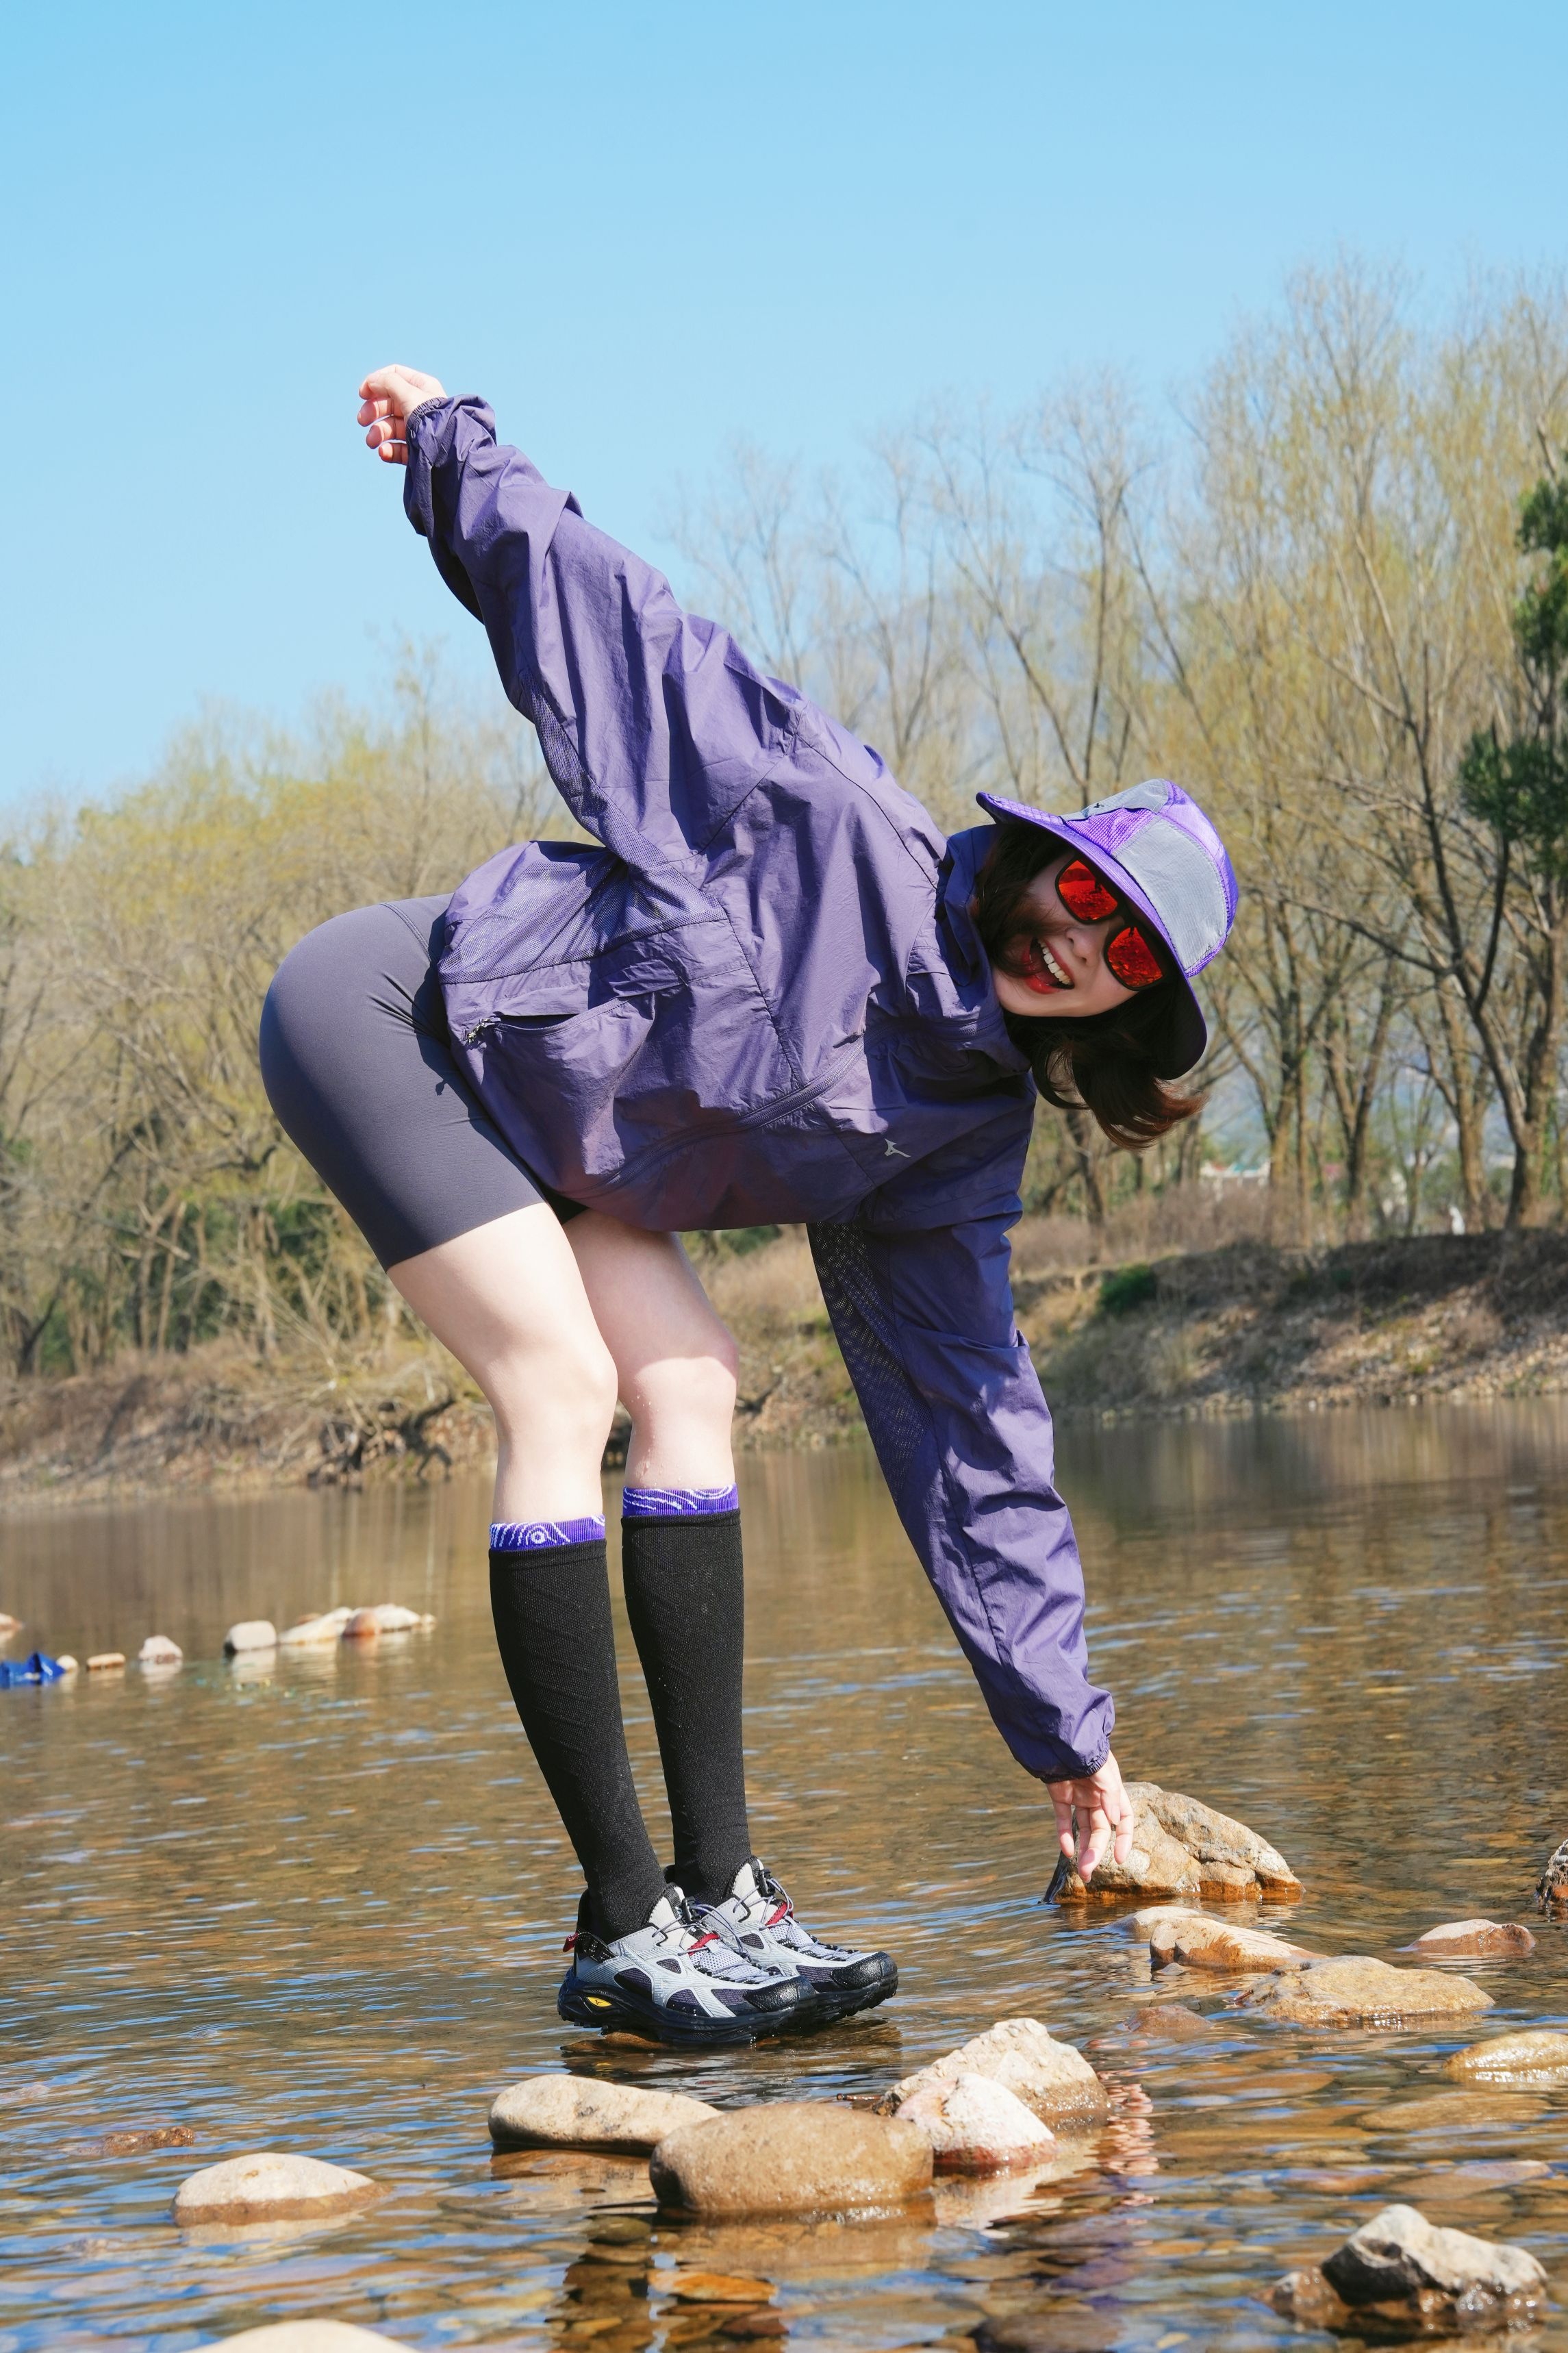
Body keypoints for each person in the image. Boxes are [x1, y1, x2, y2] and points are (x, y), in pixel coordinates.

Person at [258, 364, 1239, 2049]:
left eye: (1123, 951)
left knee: (696, 1381)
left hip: (554, 1146)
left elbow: (970, 1421)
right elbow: (618, 636)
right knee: (561, 1384)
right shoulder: (829, 826)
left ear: (1126, 1008)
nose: (1077, 938)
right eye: (1081, 889)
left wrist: (1061, 1730)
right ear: (1037, 858)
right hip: (399, 1015)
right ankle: (620, 1926)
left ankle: (718, 1898)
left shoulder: (951, 1138)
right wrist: (450, 447)